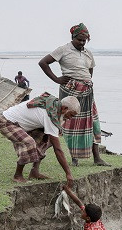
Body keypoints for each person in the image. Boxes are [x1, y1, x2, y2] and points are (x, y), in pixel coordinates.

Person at [38, 23, 109, 167]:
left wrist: (86, 82)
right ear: (73, 37)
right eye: (79, 40)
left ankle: (97, 158)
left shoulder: (88, 52)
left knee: (93, 122)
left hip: (87, 91)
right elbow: (43, 63)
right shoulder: (63, 50)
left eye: (84, 40)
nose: (82, 43)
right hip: (70, 90)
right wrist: (57, 79)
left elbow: (90, 71)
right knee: (69, 124)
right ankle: (73, 158)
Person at [0, 93, 78, 184]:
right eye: (71, 115)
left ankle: (34, 171)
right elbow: (58, 149)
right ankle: (17, 175)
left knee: (48, 139)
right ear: (64, 109)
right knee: (29, 143)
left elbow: (54, 137)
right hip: (7, 122)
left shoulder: (56, 108)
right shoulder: (50, 115)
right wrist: (68, 174)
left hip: (22, 125)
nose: (70, 118)